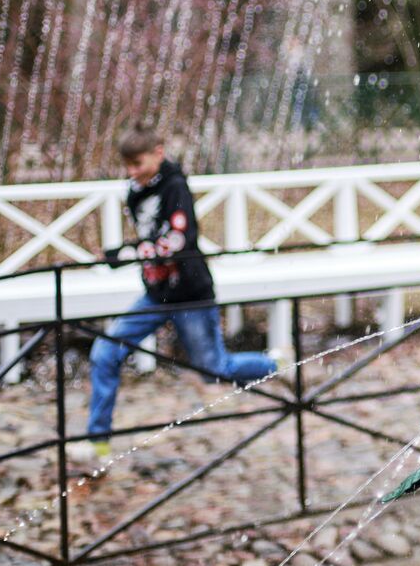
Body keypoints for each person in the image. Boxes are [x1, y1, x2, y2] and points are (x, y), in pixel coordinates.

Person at [68, 125, 278, 465]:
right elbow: (148, 238)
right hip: (156, 295)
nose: (132, 172)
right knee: (105, 352)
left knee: (215, 369)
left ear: (158, 153)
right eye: (127, 165)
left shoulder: (176, 187)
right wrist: (122, 253)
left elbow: (177, 240)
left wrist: (128, 254)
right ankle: (99, 442)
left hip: (191, 294)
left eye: (138, 163)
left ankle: (275, 364)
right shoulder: (135, 192)